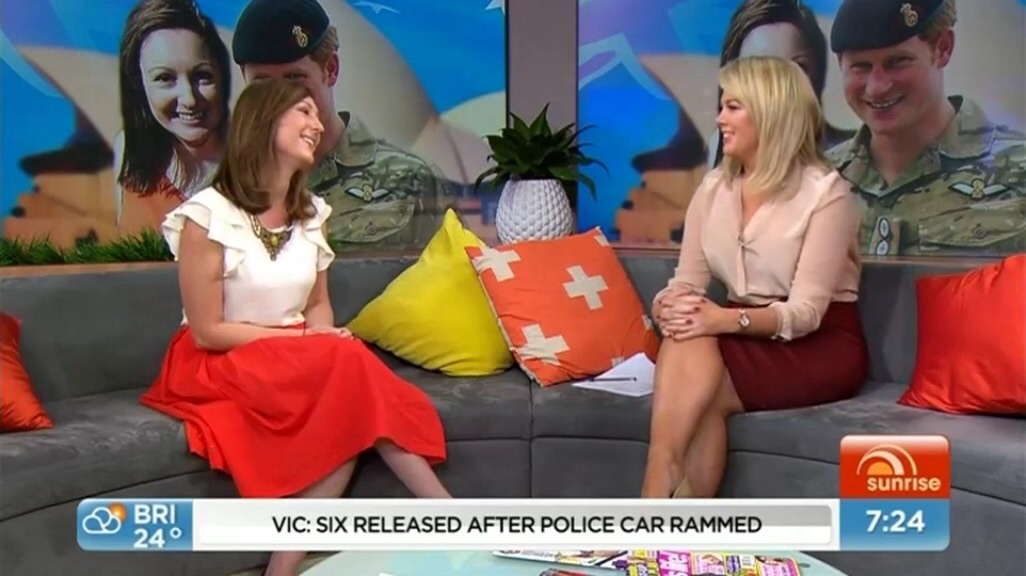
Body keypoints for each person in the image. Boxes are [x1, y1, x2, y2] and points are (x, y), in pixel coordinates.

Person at [139, 78, 450, 576]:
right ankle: (449, 518)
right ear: (265, 122)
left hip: (289, 359)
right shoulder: (206, 217)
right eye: (303, 112)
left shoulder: (313, 217)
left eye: (316, 115)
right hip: (216, 361)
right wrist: (307, 342)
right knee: (348, 376)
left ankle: (286, 564)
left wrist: (318, 336)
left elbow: (318, 305)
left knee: (345, 388)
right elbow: (207, 331)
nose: (317, 124)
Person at [641, 56, 868, 499]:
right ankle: (664, 486)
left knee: (701, 384)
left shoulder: (826, 194)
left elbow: (806, 313)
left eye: (733, 107)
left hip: (817, 343)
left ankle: (656, 492)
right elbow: (686, 280)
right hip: (736, 333)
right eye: (722, 106)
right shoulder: (713, 188)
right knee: (692, 353)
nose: (719, 119)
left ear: (771, 112)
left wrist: (722, 320)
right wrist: (668, 306)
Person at [230, 0, 457, 252]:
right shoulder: (222, 195)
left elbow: (456, 272)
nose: (278, 98)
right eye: (262, 82)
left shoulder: (413, 183)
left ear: (330, 69)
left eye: (295, 78)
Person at [826, 0, 1026, 256]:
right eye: (861, 67)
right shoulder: (815, 180)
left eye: (898, 61)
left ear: (943, 48)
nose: (876, 87)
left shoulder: (1018, 171)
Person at [114, 0, 230, 235]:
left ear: (221, 76)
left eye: (202, 76)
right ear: (139, 84)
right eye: (165, 78)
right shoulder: (127, 150)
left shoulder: (257, 158)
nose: (189, 99)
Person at [708, 0, 855, 168]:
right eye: (757, 74)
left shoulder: (854, 163)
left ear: (819, 73)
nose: (780, 89)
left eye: (796, 69)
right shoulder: (725, 146)